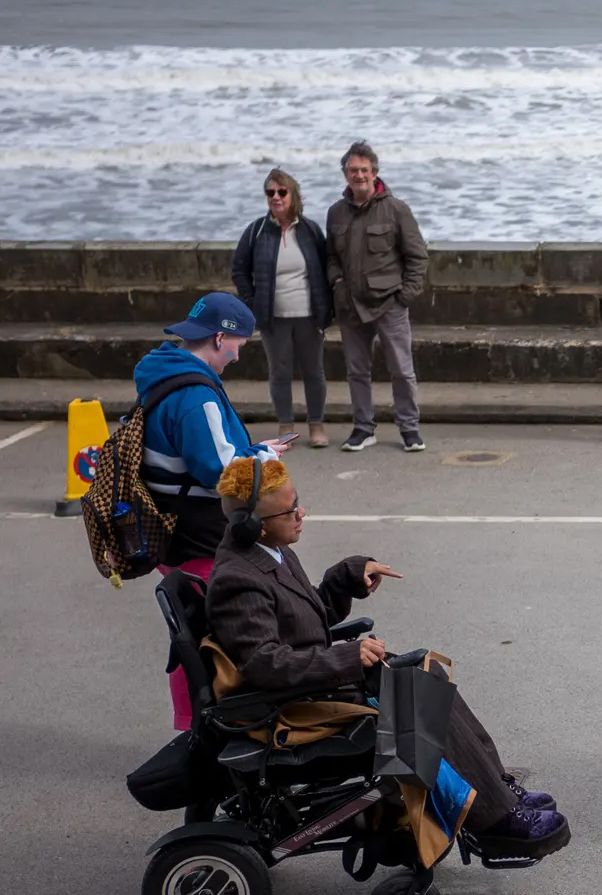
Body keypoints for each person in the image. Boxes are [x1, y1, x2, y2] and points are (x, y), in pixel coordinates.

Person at [205, 457, 570, 853]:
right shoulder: (237, 579)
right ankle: (496, 820)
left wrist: (345, 576)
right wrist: (348, 657)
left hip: (311, 683)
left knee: (426, 673)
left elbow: (303, 618)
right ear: (253, 524)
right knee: (414, 696)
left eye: (299, 502)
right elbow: (265, 664)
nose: (301, 513)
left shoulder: (269, 549)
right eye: (291, 509)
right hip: (292, 705)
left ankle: (494, 788)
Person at [134, 292, 290, 729]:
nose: (238, 355)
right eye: (239, 343)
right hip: (200, 533)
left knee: (188, 634)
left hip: (171, 528)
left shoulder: (164, 375)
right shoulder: (195, 394)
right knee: (214, 637)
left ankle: (192, 723)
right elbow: (218, 470)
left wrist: (254, 449)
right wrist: (263, 458)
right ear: (220, 338)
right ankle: (207, 728)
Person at [325, 141, 430, 452]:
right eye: (353, 170)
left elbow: (418, 257)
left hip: (389, 303)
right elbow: (330, 257)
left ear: (375, 173)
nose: (359, 175)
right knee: (357, 371)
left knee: (401, 369)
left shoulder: (396, 209)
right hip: (350, 305)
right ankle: (363, 428)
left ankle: (409, 429)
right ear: (345, 174)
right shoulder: (335, 213)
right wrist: (337, 282)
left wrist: (404, 297)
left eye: (364, 170)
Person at [233, 167, 333, 447]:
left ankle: (316, 426)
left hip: (309, 315)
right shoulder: (257, 231)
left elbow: (326, 267)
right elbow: (239, 270)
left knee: (314, 371)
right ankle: (286, 426)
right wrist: (252, 303)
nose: (275, 197)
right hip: (273, 317)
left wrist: (326, 308)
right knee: (280, 372)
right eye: (270, 193)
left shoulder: (310, 230)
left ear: (293, 194)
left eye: (281, 192)